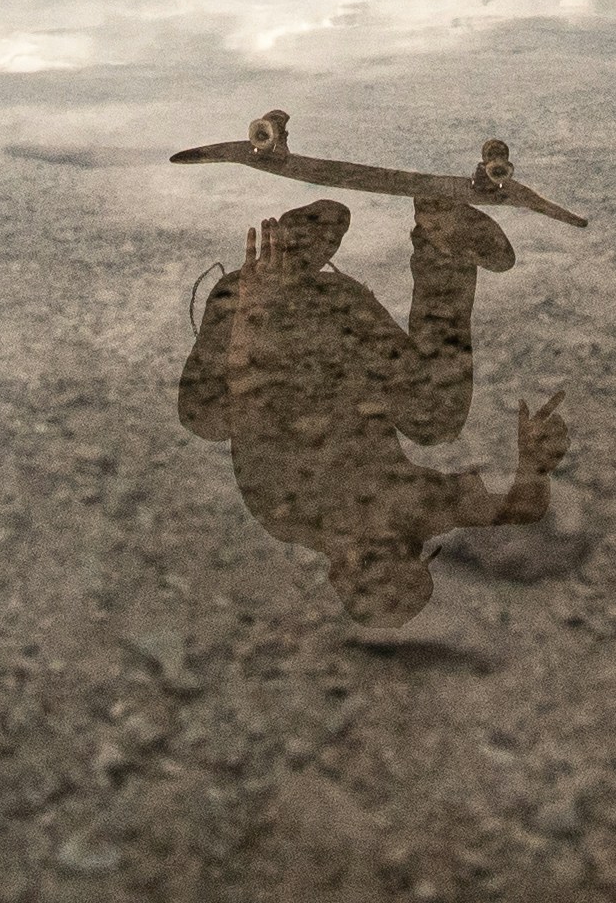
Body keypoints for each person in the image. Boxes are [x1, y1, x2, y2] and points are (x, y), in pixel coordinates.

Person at [175, 196, 570, 627]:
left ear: (340, 567)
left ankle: (293, 255)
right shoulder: (404, 516)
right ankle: (445, 243)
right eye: (401, 553)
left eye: (373, 559)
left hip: (259, 312)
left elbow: (249, 397)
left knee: (206, 415)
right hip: (339, 328)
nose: (387, 540)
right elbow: (521, 509)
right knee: (436, 418)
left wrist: (260, 305)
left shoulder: (285, 511)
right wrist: (536, 464)